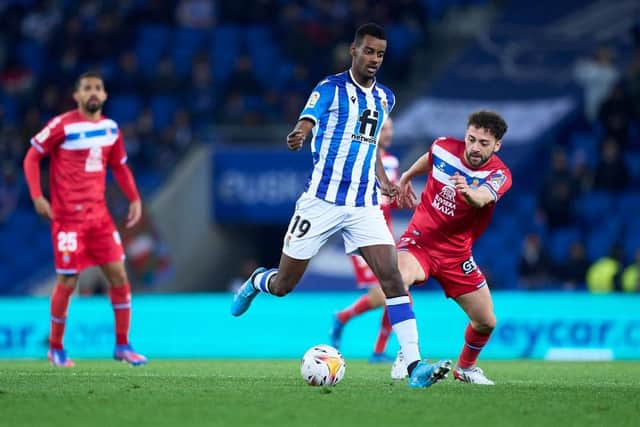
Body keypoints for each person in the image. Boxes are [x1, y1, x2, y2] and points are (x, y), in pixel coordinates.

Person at [231, 23, 451, 388]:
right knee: (284, 284)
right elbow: (308, 119)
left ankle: (415, 367)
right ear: (353, 50)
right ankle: (258, 281)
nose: (374, 59)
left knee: (393, 279)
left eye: (380, 54)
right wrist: (300, 133)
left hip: (363, 205)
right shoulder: (330, 88)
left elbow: (370, 147)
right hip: (321, 202)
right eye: (368, 51)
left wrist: (384, 182)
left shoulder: (385, 99)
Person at [22, 71, 147, 367]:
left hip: (100, 218)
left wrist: (135, 198)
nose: (93, 92)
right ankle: (55, 347)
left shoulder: (111, 129)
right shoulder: (61, 126)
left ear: (104, 96)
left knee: (118, 275)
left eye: (98, 88)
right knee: (68, 278)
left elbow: (119, 166)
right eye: (87, 88)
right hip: (68, 219)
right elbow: (31, 157)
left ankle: (123, 346)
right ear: (77, 95)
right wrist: (38, 196)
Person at [392, 110, 511, 385]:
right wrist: (407, 176)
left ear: (497, 145)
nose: (475, 147)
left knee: (486, 322)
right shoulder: (444, 146)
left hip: (457, 255)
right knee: (398, 279)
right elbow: (431, 159)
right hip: (420, 241)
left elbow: (483, 198)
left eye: (483, 143)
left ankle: (465, 368)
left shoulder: (500, 174)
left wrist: (471, 193)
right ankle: (407, 354)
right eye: (471, 139)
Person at [329, 117, 403, 363]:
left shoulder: (392, 162)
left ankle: (375, 348)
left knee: (395, 292)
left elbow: (389, 200)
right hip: (361, 233)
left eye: (391, 128)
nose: (389, 133)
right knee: (384, 295)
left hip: (385, 233)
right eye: (385, 128)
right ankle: (345, 321)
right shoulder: (358, 160)